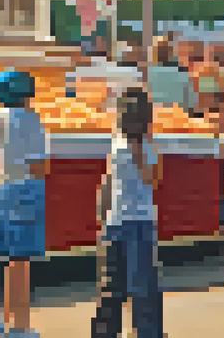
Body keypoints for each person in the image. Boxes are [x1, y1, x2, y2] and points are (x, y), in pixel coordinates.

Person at [93, 86, 164, 338]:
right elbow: (109, 178)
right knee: (119, 286)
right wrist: (103, 212)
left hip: (136, 221)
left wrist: (139, 153)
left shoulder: (146, 146)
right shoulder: (118, 143)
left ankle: (144, 332)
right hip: (123, 222)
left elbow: (153, 180)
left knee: (136, 286)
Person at [0, 68, 49, 338]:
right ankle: (21, 326)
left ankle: (6, 318)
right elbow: (39, 165)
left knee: (10, 260)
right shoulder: (32, 121)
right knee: (23, 262)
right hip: (26, 190)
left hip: (2, 190)